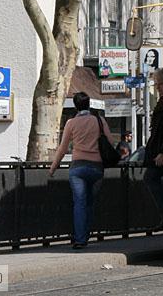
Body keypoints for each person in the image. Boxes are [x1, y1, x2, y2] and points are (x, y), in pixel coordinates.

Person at [48, 92, 113, 249]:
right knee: (90, 203)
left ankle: (80, 239)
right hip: (97, 168)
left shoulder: (71, 123)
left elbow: (63, 149)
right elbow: (110, 142)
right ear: (89, 104)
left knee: (79, 203)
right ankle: (86, 234)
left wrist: (53, 167)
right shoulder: (99, 121)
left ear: (76, 106)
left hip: (77, 168)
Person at [143, 67, 163, 228]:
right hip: (159, 150)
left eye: (160, 84)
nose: (157, 88)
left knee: (151, 178)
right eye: (156, 84)